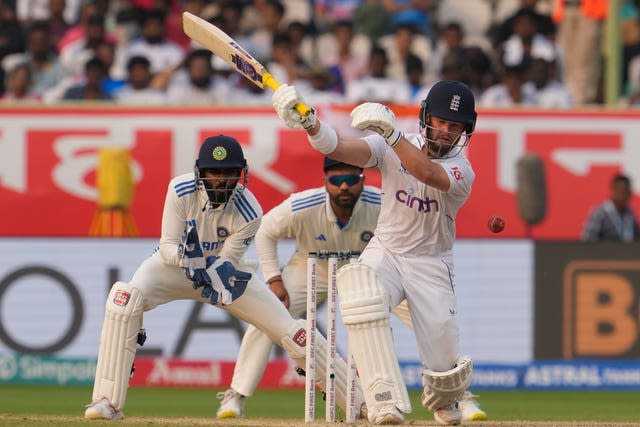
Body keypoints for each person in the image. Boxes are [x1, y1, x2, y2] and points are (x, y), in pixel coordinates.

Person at [83, 135, 366, 420]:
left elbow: (228, 260)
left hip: (224, 276)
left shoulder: (250, 209)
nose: (222, 180)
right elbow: (167, 245)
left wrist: (214, 268)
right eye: (215, 172)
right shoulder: (180, 190)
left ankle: (359, 404)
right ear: (201, 172)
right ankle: (107, 402)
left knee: (292, 331)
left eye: (229, 173)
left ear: (240, 174)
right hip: (171, 269)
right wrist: (187, 258)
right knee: (124, 300)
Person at [271, 79, 482, 425]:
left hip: (431, 263)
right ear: (426, 117)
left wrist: (393, 136)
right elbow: (339, 149)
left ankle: (445, 399)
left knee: (444, 367)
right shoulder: (390, 145)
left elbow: (426, 172)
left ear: (464, 131)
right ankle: (383, 400)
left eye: (454, 126)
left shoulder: (463, 169)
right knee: (360, 294)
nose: (445, 131)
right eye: (440, 121)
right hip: (387, 250)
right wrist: (310, 123)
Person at [216, 156, 381, 419]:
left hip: (361, 271)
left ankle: (446, 397)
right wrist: (274, 279)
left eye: (351, 179)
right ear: (325, 181)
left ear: (363, 179)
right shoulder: (303, 204)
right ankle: (236, 395)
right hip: (309, 269)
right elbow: (264, 231)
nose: (344, 187)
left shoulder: (382, 204)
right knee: (267, 316)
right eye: (336, 180)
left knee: (408, 305)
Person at [582, 173, 640, 242]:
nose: (624, 196)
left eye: (627, 192)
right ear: (613, 191)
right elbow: (588, 240)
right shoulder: (600, 213)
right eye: (621, 192)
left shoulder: (630, 214)